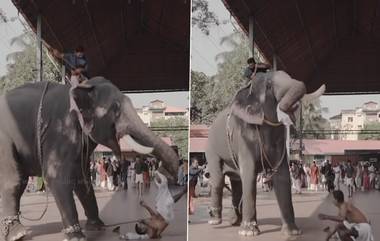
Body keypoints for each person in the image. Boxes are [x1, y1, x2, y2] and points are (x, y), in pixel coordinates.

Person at [116, 171, 187, 240]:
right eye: (141, 226)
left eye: (141, 225)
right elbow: (152, 230)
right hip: (166, 217)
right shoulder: (150, 234)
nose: (143, 225)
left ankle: (162, 180)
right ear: (142, 230)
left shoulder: (150, 223)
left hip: (163, 214)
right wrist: (125, 236)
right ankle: (183, 192)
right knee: (167, 202)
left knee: (162, 195)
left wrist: (145, 206)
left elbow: (153, 214)